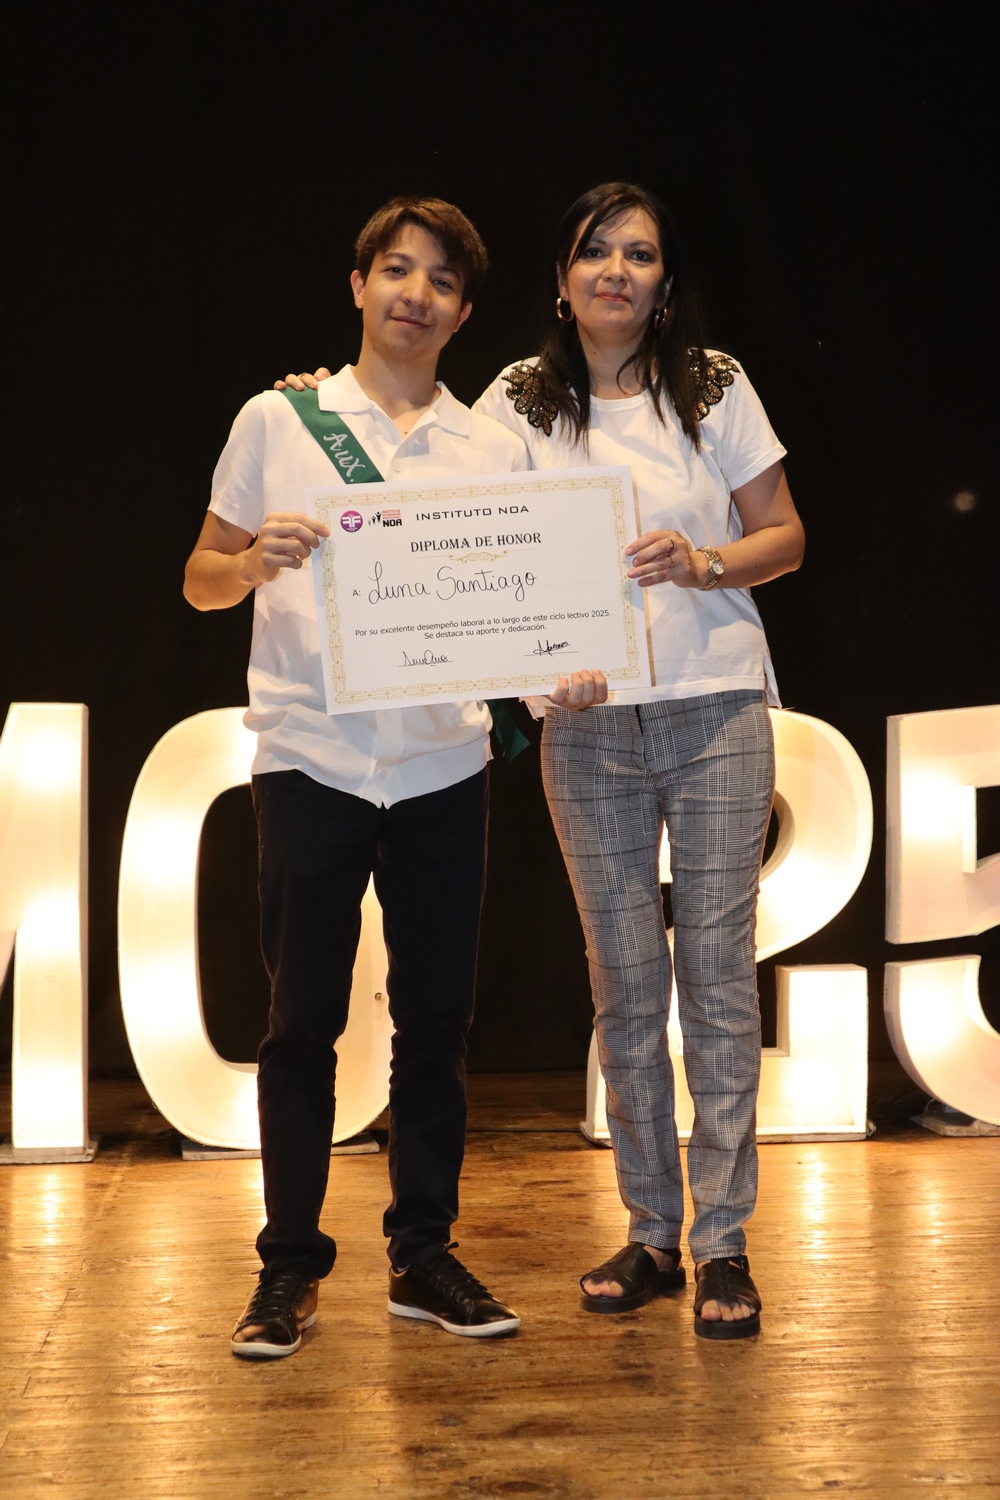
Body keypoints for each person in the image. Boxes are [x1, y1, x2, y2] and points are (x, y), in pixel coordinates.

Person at [278, 180, 805, 1341]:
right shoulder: (516, 398)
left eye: (640, 254)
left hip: (714, 707)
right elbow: (438, 517)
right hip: (585, 726)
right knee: (623, 986)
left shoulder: (711, 383)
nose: (616, 271)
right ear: (561, 279)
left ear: (665, 280)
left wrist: (706, 563)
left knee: (717, 980)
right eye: (594, 252)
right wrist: (309, 403)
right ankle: (652, 1231)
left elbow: (784, 535)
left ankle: (723, 1241)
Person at [185, 196, 526, 1359]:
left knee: (435, 1023)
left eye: (441, 281)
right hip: (312, 757)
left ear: (463, 314)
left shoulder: (492, 447)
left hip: (441, 763)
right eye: (396, 270)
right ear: (358, 285)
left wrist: (563, 666)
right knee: (302, 1022)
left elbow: (521, 603)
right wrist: (250, 560)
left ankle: (422, 1256)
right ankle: (286, 1266)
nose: (415, 295)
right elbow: (198, 578)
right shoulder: (279, 419)